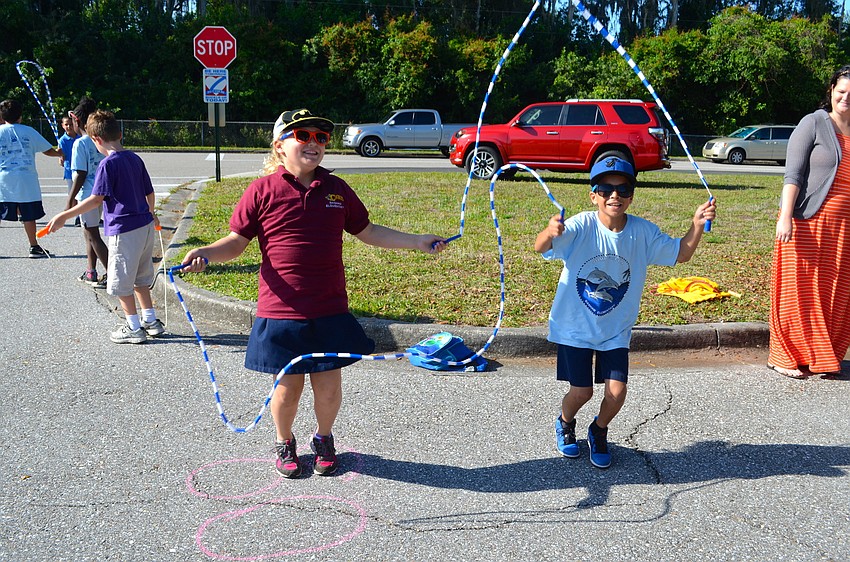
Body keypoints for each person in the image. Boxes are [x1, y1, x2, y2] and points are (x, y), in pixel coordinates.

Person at [180, 109, 448, 478]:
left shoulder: (336, 189)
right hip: (281, 310)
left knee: (328, 387)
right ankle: (284, 440)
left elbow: (367, 231)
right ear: (279, 146)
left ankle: (323, 438)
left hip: (328, 308)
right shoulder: (261, 191)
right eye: (302, 135)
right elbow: (235, 243)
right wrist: (207, 253)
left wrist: (417, 241)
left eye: (321, 137)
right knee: (288, 391)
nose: (314, 143)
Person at [534, 156, 716, 469]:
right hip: (575, 327)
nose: (614, 195)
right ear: (593, 195)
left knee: (617, 393)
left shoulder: (643, 233)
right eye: (605, 189)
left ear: (632, 195)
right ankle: (565, 422)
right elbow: (540, 248)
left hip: (615, 329)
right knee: (582, 391)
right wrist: (550, 232)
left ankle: (598, 430)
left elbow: (681, 253)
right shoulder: (579, 226)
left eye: (623, 188)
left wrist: (697, 225)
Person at [45, 110, 164, 344]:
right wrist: (152, 214)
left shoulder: (107, 165)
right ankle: (151, 321)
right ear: (119, 134)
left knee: (121, 282)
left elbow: (96, 198)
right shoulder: (134, 158)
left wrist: (64, 215)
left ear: (96, 140)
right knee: (141, 277)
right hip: (145, 227)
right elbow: (150, 192)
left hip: (124, 230)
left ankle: (133, 327)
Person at [769, 65, 850, 380]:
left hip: (842, 229)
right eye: (841, 91)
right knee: (798, 290)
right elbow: (794, 174)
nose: (845, 98)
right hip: (806, 221)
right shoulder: (814, 123)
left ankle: (821, 355)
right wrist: (785, 216)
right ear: (831, 91)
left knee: (835, 291)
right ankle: (784, 356)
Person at [0, 99, 63, 258]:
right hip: (26, 179)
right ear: (20, 116)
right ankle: (33, 246)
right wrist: (59, 153)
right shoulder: (28, 131)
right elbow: (47, 150)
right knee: (28, 214)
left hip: (4, 178)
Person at [68, 97, 109, 287]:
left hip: (87, 195)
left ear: (77, 121)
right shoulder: (100, 139)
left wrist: (70, 201)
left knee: (93, 235)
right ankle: (90, 271)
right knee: (89, 232)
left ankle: (112, 274)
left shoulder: (80, 143)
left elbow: (81, 173)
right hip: (103, 192)